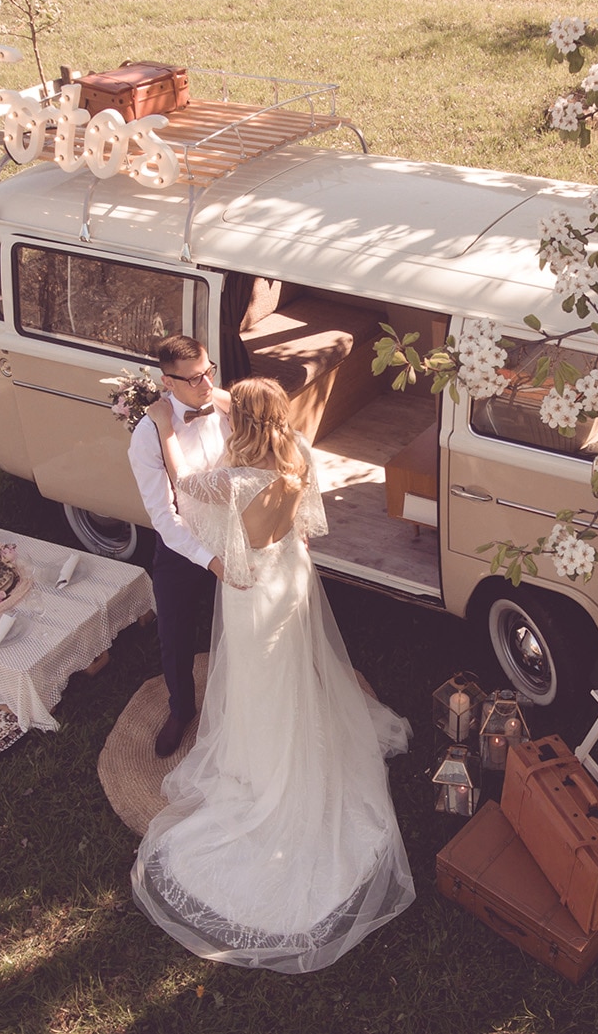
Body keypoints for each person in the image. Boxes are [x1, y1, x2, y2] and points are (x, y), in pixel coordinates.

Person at [130, 377, 415, 972]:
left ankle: (263, 766)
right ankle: (294, 742)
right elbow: (306, 525)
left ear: (243, 425)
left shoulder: (232, 478)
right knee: (290, 669)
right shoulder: (300, 452)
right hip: (291, 577)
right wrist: (222, 397)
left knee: (258, 675)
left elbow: (181, 485)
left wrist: (162, 425)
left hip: (249, 586)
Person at [128, 335, 231, 758]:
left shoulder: (227, 407)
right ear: (167, 383)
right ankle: (181, 709)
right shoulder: (148, 435)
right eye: (192, 380)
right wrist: (209, 561)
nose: (205, 384)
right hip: (184, 545)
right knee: (174, 632)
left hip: (232, 533)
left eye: (209, 371)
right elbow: (164, 518)